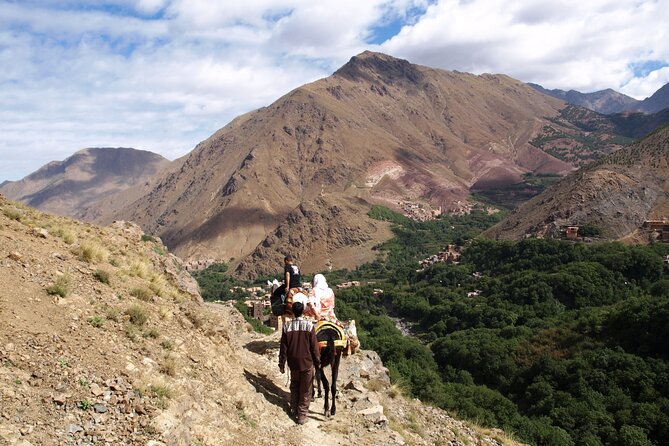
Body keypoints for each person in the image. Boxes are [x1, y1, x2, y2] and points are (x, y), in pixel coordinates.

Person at [278, 302, 320, 424]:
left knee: (295, 385)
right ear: (303, 311)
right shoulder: (309, 326)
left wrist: (282, 363)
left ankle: (293, 408)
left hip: (293, 363)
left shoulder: (287, 327)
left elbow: (283, 348)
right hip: (307, 363)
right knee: (306, 389)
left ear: (292, 312)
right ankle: (302, 415)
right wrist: (317, 362)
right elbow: (314, 347)